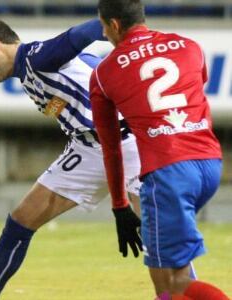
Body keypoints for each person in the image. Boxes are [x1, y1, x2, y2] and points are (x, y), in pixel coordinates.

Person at [0, 14, 142, 299]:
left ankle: (181, 293)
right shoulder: (28, 74)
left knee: (158, 235)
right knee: (20, 221)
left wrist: (121, 18)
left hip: (129, 143)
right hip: (88, 148)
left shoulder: (39, 57)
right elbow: (92, 68)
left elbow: (85, 33)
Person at [91, 1, 229, 299]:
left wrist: (119, 205)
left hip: (168, 171)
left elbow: (112, 148)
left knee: (177, 281)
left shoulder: (104, 72)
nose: (103, 33)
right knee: (160, 266)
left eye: (103, 26)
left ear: (114, 25)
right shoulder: (189, 46)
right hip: (209, 162)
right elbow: (195, 92)